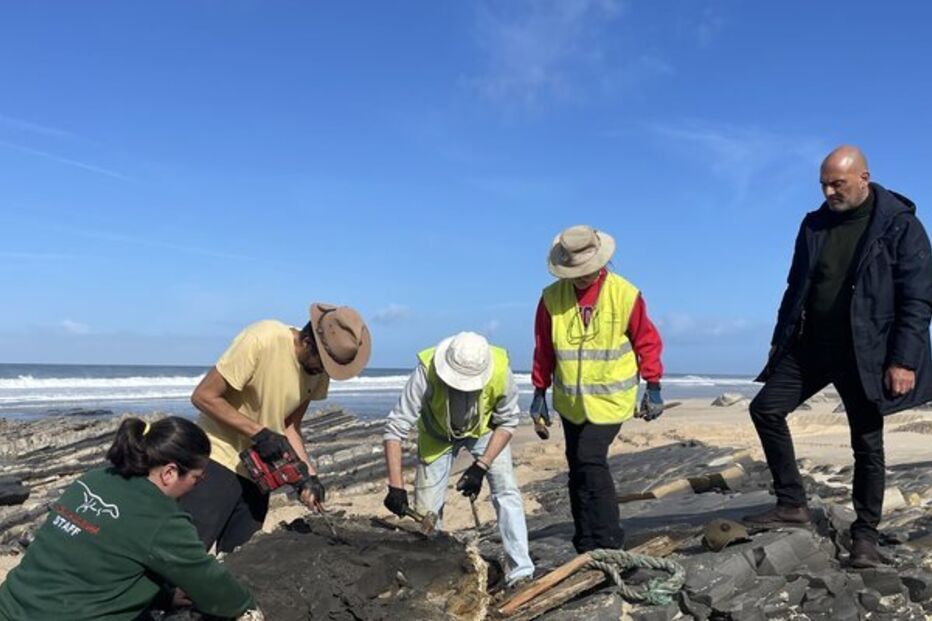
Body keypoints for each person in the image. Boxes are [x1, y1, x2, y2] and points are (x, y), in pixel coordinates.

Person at [746, 146, 932, 568]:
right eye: (824, 184)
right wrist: (780, 341)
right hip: (811, 346)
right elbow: (796, 287)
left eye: (838, 184)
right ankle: (792, 503)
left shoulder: (901, 226)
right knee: (765, 410)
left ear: (864, 177)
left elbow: (918, 299)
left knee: (867, 444)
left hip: (866, 352)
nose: (829, 192)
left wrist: (903, 360)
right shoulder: (813, 224)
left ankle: (864, 536)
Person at [0, 417, 257, 621]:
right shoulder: (162, 517)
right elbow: (208, 581)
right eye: (197, 478)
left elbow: (97, 560)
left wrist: (165, 597)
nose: (197, 486)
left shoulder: (93, 479)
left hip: (10, 605)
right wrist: (246, 606)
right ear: (169, 472)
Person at [181, 303, 371, 552]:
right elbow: (203, 396)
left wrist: (308, 476)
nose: (323, 373)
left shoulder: (320, 369)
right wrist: (258, 432)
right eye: (321, 365)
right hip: (215, 458)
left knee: (242, 559)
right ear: (307, 341)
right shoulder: (263, 338)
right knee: (188, 554)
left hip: (259, 472)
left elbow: (290, 425)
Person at [532, 224, 665, 553]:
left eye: (585, 270)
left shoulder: (625, 294)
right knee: (576, 467)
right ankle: (585, 542)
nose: (579, 276)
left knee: (590, 459)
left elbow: (646, 340)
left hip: (610, 399)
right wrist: (538, 393)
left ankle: (608, 539)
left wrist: (653, 385)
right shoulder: (551, 298)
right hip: (571, 402)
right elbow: (544, 349)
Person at [382, 331, 535, 586]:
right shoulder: (426, 369)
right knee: (426, 513)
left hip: (484, 431)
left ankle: (521, 571)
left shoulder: (500, 368)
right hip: (436, 435)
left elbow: (508, 421)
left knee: (507, 491)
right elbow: (395, 428)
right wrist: (396, 487)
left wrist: (481, 466)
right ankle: (440, 575)